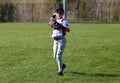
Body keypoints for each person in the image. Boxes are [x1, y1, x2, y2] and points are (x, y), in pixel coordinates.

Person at [49, 6, 70, 76]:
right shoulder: (54, 21)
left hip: (61, 40)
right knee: (55, 56)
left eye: (57, 13)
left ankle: (60, 72)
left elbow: (68, 30)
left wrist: (61, 27)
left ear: (61, 14)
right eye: (56, 13)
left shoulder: (64, 21)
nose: (56, 14)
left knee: (58, 56)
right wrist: (53, 16)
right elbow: (50, 24)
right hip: (55, 40)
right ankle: (62, 65)